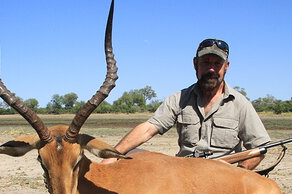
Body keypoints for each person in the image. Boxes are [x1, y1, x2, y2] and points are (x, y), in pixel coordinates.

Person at [102, 38, 270, 170]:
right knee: (130, 155)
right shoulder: (178, 99)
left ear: (226, 67)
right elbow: (148, 128)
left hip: (224, 176)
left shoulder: (240, 104)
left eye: (217, 64)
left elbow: (259, 148)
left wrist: (238, 172)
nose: (211, 69)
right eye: (205, 63)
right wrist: (112, 155)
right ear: (195, 64)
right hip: (183, 173)